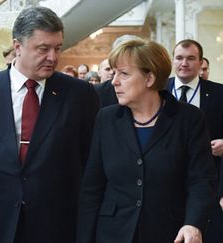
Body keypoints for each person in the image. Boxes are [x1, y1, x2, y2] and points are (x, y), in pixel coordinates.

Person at [0, 6, 99, 242]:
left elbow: (89, 157)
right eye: (43, 49)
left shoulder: (80, 94)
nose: (53, 57)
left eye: (57, 48)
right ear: (17, 47)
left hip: (56, 223)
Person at [77, 39, 217, 243]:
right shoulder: (105, 118)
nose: (114, 81)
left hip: (170, 233)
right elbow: (92, 187)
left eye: (123, 74)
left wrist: (193, 223)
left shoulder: (189, 118)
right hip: (112, 233)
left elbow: (202, 179)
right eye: (114, 73)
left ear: (150, 78)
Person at [167, 39, 223, 243]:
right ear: (172, 61)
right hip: (166, 182)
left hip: (208, 183)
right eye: (179, 58)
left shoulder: (219, 93)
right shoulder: (158, 91)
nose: (184, 63)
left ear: (200, 63)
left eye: (191, 58)